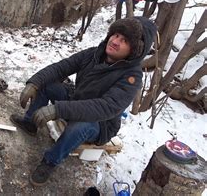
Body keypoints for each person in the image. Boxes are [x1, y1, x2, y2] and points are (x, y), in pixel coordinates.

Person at [10, 16, 156, 186]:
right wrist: (35, 82)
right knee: (47, 84)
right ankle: (30, 123)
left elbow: (105, 108)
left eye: (124, 40)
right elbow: (61, 67)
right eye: (115, 35)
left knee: (80, 126)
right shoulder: (94, 54)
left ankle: (50, 162)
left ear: (135, 51)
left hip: (101, 123)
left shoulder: (132, 76)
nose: (115, 41)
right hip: (77, 99)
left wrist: (59, 109)